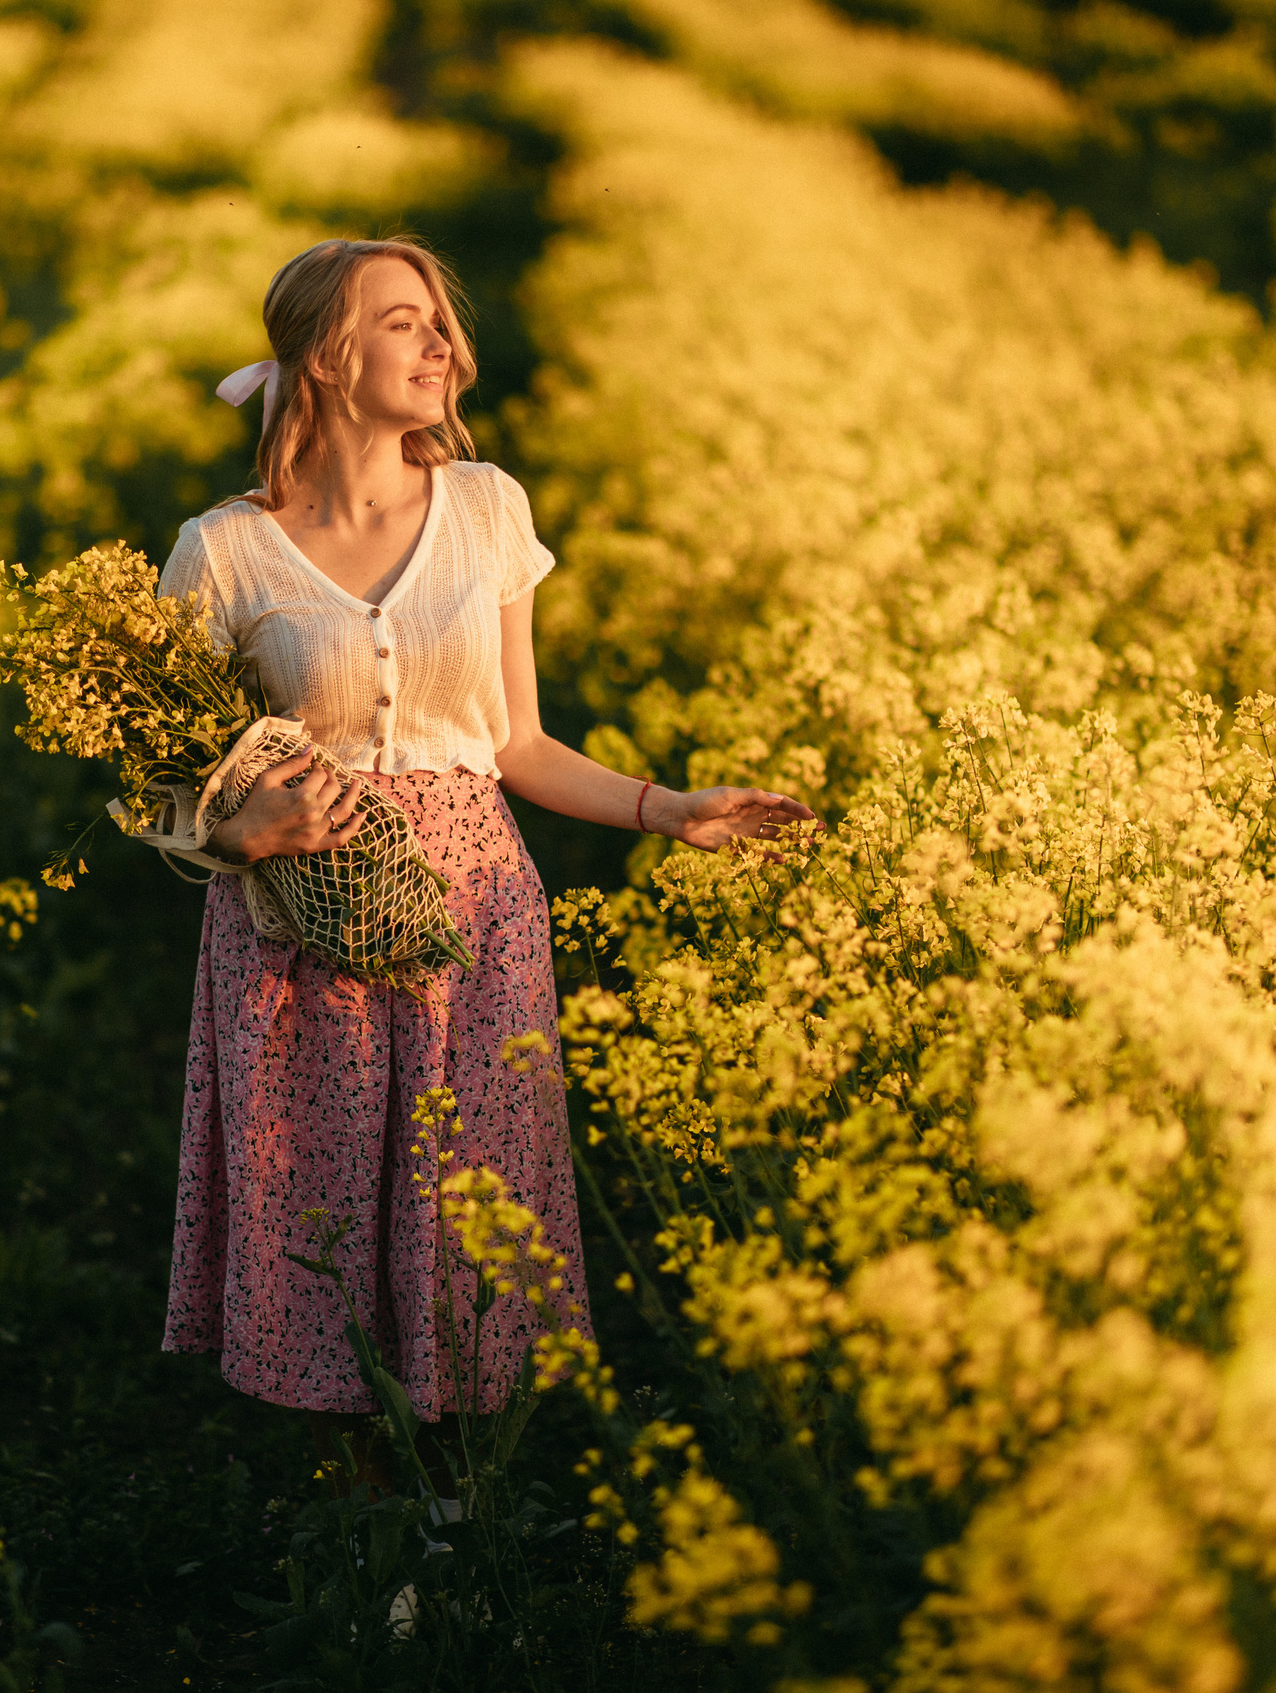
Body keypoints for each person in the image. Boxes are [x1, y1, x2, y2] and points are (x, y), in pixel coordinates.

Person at [157, 237, 816, 1490]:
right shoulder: (223, 552)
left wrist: (664, 808)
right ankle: (358, 1526)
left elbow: (516, 743)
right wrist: (232, 838)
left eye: (440, 322)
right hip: (298, 924)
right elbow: (152, 777)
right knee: (328, 1204)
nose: (441, 344)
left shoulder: (487, 509)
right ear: (326, 357)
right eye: (404, 323)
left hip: (475, 904)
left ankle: (458, 1511)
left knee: (467, 1194)